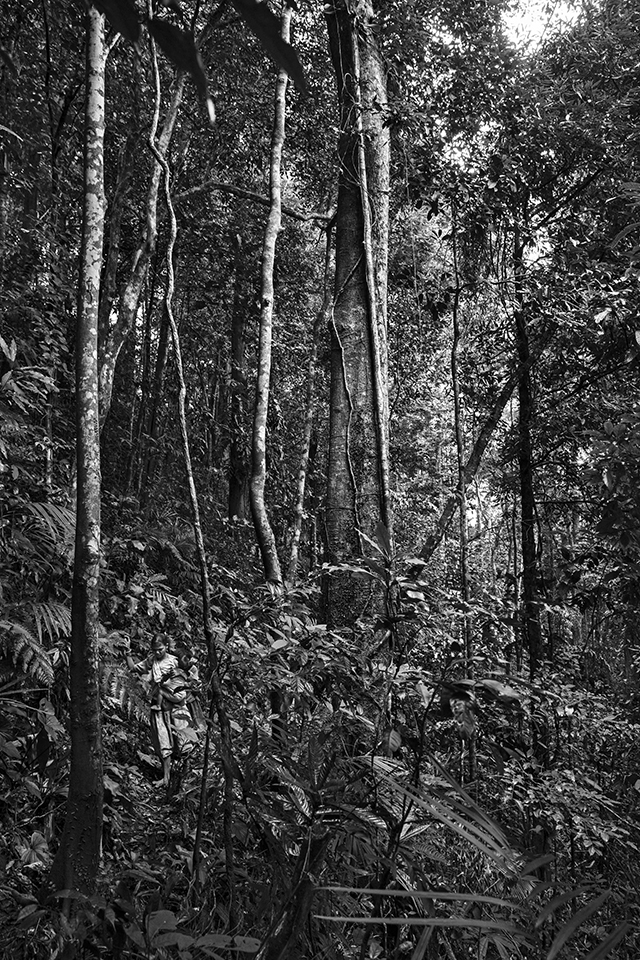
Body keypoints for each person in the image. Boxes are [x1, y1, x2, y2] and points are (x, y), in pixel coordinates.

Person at [126, 634, 185, 786]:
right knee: (162, 741)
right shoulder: (151, 660)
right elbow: (134, 669)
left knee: (181, 741)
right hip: (157, 707)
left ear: (166, 646)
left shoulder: (175, 660)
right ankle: (166, 778)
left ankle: (179, 778)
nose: (158, 653)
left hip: (173, 705)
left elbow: (184, 679)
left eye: (160, 649)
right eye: (155, 650)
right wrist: (128, 653)